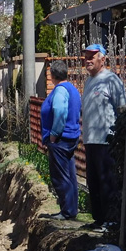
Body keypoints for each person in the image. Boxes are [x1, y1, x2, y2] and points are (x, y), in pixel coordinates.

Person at [81, 44, 126, 231]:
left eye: (93, 56)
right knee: (93, 181)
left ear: (103, 59)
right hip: (91, 140)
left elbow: (123, 109)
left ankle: (111, 220)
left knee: (107, 181)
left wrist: (120, 136)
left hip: (106, 140)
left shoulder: (111, 80)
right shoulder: (88, 82)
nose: (88, 60)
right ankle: (99, 219)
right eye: (86, 57)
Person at [40, 61, 81, 220]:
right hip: (71, 137)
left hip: (60, 140)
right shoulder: (73, 89)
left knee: (60, 176)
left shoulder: (60, 91)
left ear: (52, 76)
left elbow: (60, 110)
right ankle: (71, 209)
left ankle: (67, 212)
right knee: (70, 175)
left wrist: (53, 135)